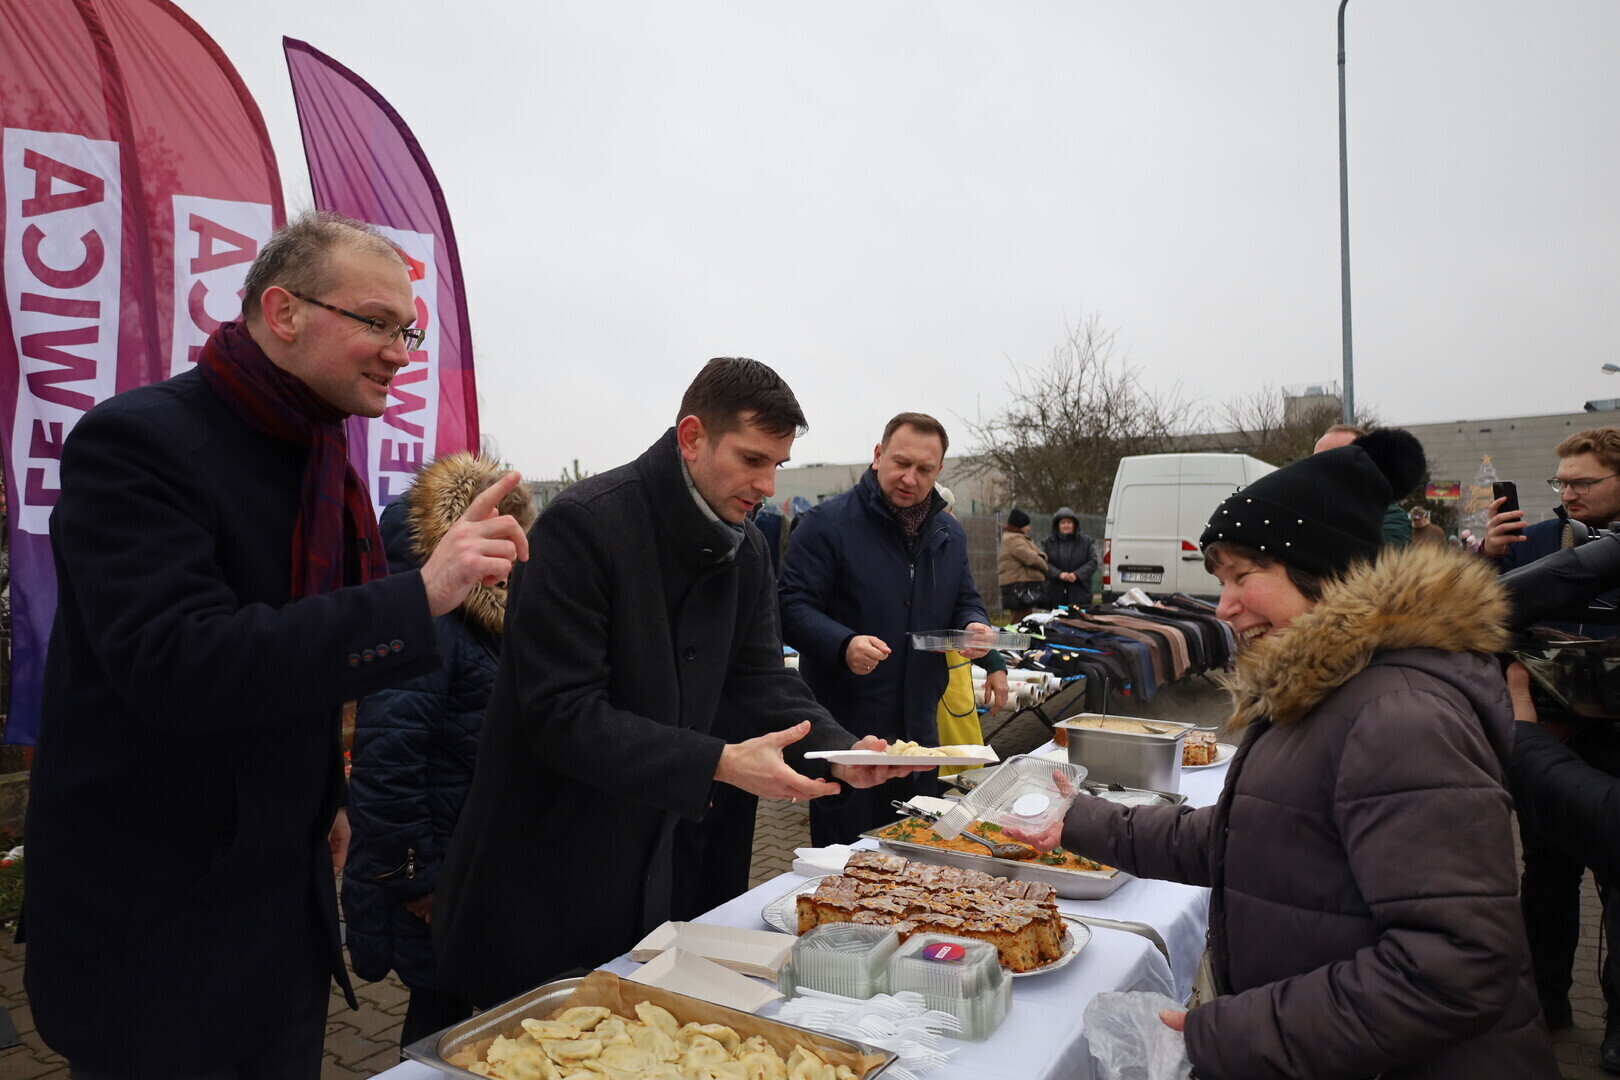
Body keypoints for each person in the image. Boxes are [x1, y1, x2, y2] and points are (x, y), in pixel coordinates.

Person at [21, 212, 531, 1079]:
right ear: (283, 311)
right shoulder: (139, 442)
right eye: (375, 322)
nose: (399, 351)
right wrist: (422, 596)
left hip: (280, 907)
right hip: (154, 924)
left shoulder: (321, 456)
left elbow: (298, 666)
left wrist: (322, 795)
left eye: (405, 329)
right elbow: (180, 665)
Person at [1015, 428, 1557, 1079]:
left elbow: (1454, 969)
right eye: (1221, 580)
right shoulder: (1332, 686)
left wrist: (1228, 1031)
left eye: (1245, 576)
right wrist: (1079, 820)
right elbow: (1253, 833)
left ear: (1324, 571)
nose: (1225, 607)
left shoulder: (1398, 715)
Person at [432, 358, 923, 1008]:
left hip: (653, 868)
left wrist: (840, 748)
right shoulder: (584, 526)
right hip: (540, 871)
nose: (766, 485)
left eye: (777, 463)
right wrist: (717, 761)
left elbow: (759, 684)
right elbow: (563, 716)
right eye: (752, 459)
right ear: (692, 437)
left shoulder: (746, 551)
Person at [342, 452, 537, 1051]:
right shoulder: (431, 620)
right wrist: (419, 879)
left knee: (457, 1011)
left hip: (476, 866)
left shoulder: (491, 619)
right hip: (439, 872)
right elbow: (386, 761)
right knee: (442, 1019)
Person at [779, 412, 992, 845]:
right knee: (845, 865)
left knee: (915, 857)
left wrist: (976, 625)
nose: (910, 478)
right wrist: (843, 644)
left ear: (939, 471)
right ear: (877, 456)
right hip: (847, 735)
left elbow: (964, 599)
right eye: (901, 463)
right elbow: (788, 606)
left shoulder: (950, 533)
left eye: (924, 469)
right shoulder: (825, 525)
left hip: (919, 735)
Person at [1483, 427, 1620, 1051]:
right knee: (1546, 877)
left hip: (1614, 747)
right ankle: (1544, 1004)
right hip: (1546, 739)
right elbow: (1482, 614)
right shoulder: (1535, 540)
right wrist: (1486, 555)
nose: (1568, 493)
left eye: (1583, 482)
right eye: (1561, 482)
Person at [931, 484, 1009, 776]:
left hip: (954, 683)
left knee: (961, 775)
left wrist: (994, 663)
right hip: (921, 694)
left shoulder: (951, 551)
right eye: (948, 514)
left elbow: (964, 608)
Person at [1315, 423, 1411, 547]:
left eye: (1336, 459)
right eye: (1316, 460)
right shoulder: (1303, 506)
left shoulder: (1389, 517)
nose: (1319, 467)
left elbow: (1381, 557)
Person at [997, 508, 1048, 620]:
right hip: (1018, 588)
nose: (1029, 528)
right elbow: (1031, 558)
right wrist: (1044, 564)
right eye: (1026, 525)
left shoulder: (1016, 538)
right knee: (1019, 620)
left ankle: (1022, 637)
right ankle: (1016, 638)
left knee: (1025, 618)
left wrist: (1041, 557)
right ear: (1020, 525)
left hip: (1021, 587)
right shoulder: (1013, 539)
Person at [1042, 506, 1097, 609]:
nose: (1066, 525)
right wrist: (1059, 574)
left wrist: (1077, 574)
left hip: (1080, 594)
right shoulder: (1048, 543)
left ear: (1074, 524)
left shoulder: (1085, 541)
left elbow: (1093, 562)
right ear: (1057, 525)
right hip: (1054, 594)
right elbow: (1042, 563)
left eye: (1069, 522)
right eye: (1063, 523)